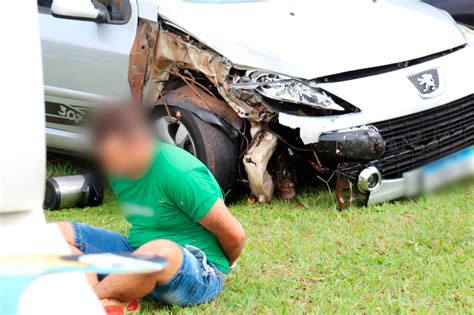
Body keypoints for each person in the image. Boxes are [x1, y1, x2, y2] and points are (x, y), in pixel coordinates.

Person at [56, 104, 246, 314]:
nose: (108, 167)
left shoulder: (180, 173)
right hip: (138, 254)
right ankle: (108, 299)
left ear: (138, 144)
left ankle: (89, 299)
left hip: (197, 270)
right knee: (56, 233)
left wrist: (220, 271)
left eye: (113, 158)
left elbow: (235, 235)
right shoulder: (118, 169)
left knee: (159, 251)